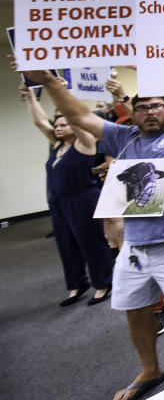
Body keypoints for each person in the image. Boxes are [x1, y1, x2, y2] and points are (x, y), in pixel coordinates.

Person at [16, 69, 164, 400]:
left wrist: (159, 69)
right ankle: (150, 369)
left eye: (157, 105)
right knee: (136, 309)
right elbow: (79, 114)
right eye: (143, 107)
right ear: (131, 111)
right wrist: (50, 83)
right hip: (136, 243)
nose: (150, 112)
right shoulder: (122, 137)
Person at [20, 81, 113, 306]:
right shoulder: (57, 146)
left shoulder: (85, 143)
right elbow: (40, 121)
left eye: (63, 124)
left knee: (91, 242)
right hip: (59, 202)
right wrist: (30, 97)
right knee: (66, 244)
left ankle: (102, 283)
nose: (58, 127)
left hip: (83, 199)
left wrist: (61, 93)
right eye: (57, 125)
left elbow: (76, 117)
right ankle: (76, 284)